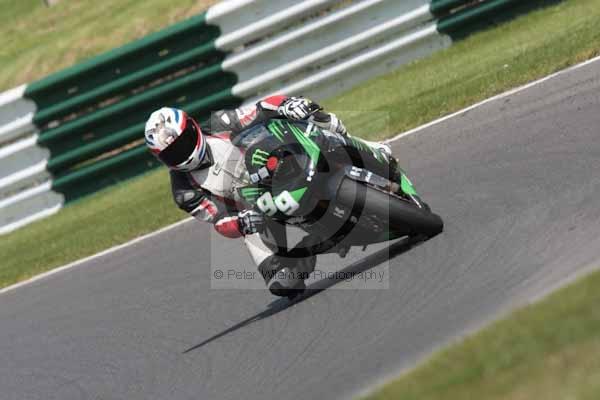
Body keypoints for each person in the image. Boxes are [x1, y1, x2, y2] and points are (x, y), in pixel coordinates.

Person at [144, 96, 393, 297]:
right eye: (172, 154)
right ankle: (308, 247)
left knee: (309, 117)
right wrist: (241, 223)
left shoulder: (220, 122)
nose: (182, 154)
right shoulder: (184, 192)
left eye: (183, 142)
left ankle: (369, 148)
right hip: (257, 208)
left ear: (193, 127)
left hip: (277, 163)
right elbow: (219, 219)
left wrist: (287, 104)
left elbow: (260, 108)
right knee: (282, 283)